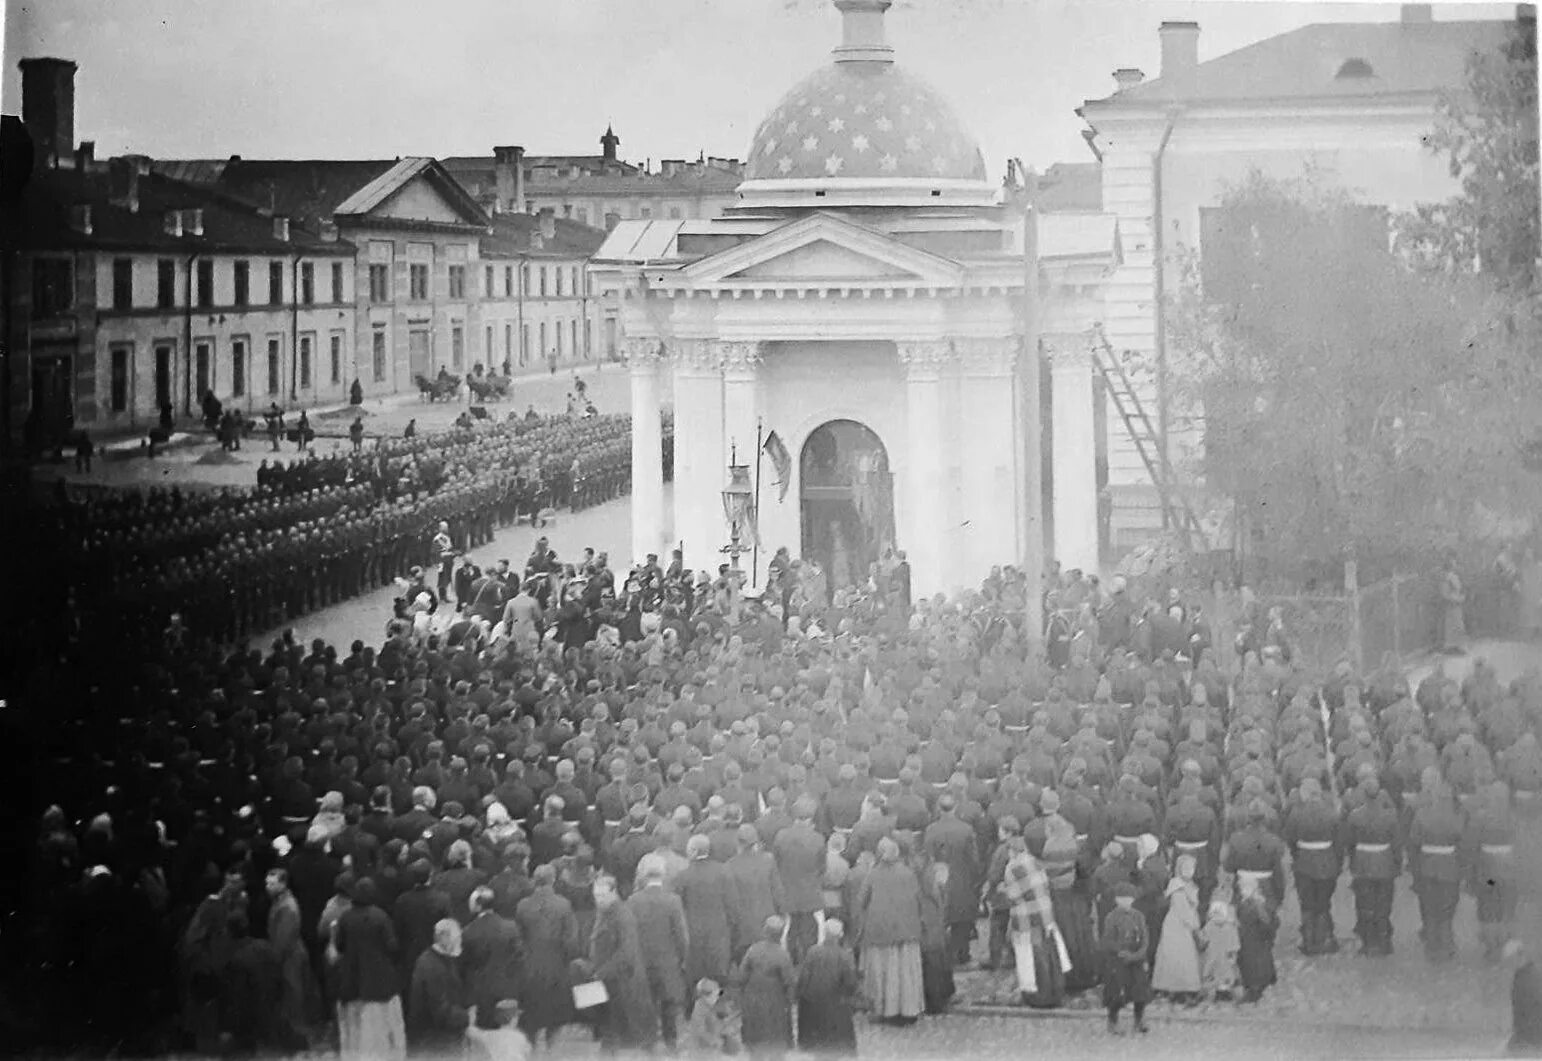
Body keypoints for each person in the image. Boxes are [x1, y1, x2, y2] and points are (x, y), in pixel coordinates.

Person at [334, 878, 407, 1061]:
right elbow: (392, 946)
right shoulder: (380, 916)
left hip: (352, 978)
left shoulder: (345, 917)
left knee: (355, 1027)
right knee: (379, 1028)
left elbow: (339, 945)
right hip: (378, 980)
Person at [853, 836, 924, 1024]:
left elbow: (861, 901)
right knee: (906, 973)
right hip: (907, 930)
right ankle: (909, 1010)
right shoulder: (908, 873)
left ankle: (886, 1011)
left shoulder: (873, 874)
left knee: (883, 974)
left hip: (880, 932)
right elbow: (918, 899)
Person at [587, 873, 658, 1053]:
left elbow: (627, 952)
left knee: (624, 1036)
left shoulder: (622, 915)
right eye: (596, 896)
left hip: (623, 983)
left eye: (602, 896)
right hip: (608, 982)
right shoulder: (604, 912)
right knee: (609, 1030)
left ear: (613, 893)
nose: (598, 900)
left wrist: (601, 972)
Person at [626, 854, 690, 1050]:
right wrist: (683, 958)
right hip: (667, 960)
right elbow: (681, 934)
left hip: (642, 960)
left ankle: (649, 1043)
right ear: (662, 876)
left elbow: (629, 933)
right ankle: (671, 1043)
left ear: (644, 877)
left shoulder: (633, 901)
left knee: (648, 1003)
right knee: (669, 1004)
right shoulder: (673, 900)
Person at [513, 864, 579, 1049]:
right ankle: (552, 1051)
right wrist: (567, 960)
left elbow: (517, 939)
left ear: (535, 880)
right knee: (555, 1018)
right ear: (553, 880)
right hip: (556, 969)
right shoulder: (563, 905)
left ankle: (531, 1051)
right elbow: (571, 941)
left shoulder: (523, 905)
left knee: (530, 1018)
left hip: (530, 969)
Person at [461, 886, 525, 1030]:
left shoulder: (468, 931)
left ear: (477, 905)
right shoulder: (510, 927)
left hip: (481, 995)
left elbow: (464, 966)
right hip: (506, 991)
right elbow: (519, 959)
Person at [734, 915, 796, 1061]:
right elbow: (789, 982)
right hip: (776, 1005)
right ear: (780, 935)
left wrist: (742, 997)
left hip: (753, 1002)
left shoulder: (753, 950)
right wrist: (790, 1003)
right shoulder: (782, 955)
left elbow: (741, 976)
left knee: (755, 1044)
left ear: (765, 931)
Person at [796, 918, 860, 1056]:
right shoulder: (844, 956)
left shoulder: (812, 951)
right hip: (835, 1008)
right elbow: (850, 984)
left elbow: (803, 980)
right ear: (840, 935)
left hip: (813, 1008)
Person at [407, 918, 470, 1054]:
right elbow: (440, 1011)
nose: (459, 942)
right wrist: (467, 1017)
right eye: (457, 938)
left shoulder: (438, 960)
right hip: (435, 1042)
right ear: (443, 937)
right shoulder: (431, 966)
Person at [1100, 881, 1150, 1035]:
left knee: (1140, 992)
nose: (1126, 901)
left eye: (1129, 898)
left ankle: (1139, 1019)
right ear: (1116, 900)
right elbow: (1108, 941)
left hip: (1136, 959)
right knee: (1117, 993)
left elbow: (1145, 938)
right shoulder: (1111, 917)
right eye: (1122, 898)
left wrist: (1139, 954)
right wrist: (1121, 952)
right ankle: (1113, 1021)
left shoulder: (1138, 916)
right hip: (1118, 961)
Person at [1151, 854, 1203, 1002]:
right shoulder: (1177, 886)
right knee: (1177, 955)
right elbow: (1183, 910)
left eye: (1192, 868)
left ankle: (1184, 987)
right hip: (1177, 925)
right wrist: (1195, 927)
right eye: (1186, 868)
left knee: (1185, 956)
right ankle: (1174, 987)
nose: (1189, 871)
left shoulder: (1190, 885)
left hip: (1185, 923)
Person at [1236, 875, 1278, 1002]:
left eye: (1246, 889)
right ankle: (1251, 986)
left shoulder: (1257, 904)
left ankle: (1255, 989)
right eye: (1242, 888)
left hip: (1255, 940)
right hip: (1247, 939)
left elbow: (1267, 923)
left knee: (1254, 965)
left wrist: (1265, 936)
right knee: (1247, 963)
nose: (1243, 891)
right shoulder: (1245, 903)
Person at [1199, 898, 1240, 1002]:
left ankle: (1225, 992)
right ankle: (1217, 992)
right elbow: (1204, 938)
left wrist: (1233, 954)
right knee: (1214, 973)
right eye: (1214, 915)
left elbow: (1234, 941)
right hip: (1213, 955)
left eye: (1219, 915)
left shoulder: (1229, 927)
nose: (1217, 918)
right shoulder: (1210, 926)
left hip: (1225, 955)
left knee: (1225, 974)